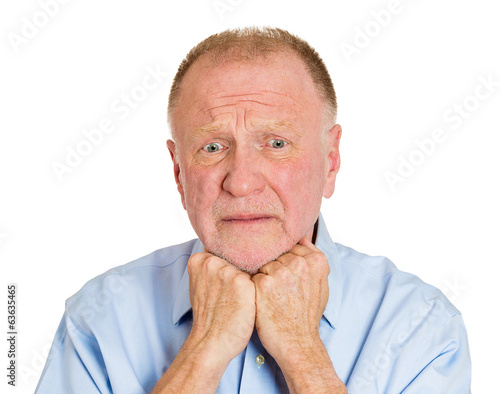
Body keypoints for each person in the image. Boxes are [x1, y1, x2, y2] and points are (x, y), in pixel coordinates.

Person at [36, 27, 471, 393]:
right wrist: (203, 351)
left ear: (331, 160)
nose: (241, 182)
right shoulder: (97, 320)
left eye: (276, 144)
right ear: (178, 172)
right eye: (212, 146)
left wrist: (303, 351)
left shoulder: (423, 328)